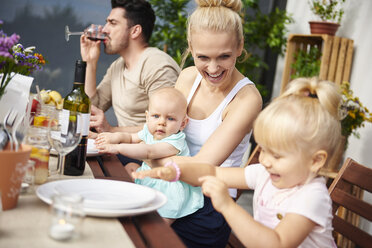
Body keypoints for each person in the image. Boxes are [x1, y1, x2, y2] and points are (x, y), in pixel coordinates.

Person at [134, 77, 341, 247]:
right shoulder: (265, 174)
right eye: (264, 150)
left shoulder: (312, 196)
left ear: (316, 161)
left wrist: (227, 206)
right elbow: (212, 173)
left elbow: (277, 244)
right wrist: (176, 171)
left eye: (277, 155)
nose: (266, 161)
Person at [134, 0, 262, 247]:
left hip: (208, 204)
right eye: (203, 57)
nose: (213, 68)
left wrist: (148, 154)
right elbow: (162, 129)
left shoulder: (246, 99)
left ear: (240, 47)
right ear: (191, 48)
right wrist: (113, 132)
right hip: (168, 182)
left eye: (224, 56)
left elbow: (202, 167)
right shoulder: (188, 76)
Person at [81, 0, 180, 166]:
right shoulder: (117, 67)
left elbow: (166, 128)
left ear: (135, 31)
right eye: (106, 22)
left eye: (112, 23)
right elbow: (91, 108)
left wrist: (112, 131)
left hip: (149, 159)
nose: (104, 30)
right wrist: (90, 63)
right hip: (122, 149)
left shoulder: (157, 66)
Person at [94, 87, 204, 225]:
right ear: (147, 117)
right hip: (151, 176)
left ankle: (159, 235)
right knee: (128, 173)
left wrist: (117, 147)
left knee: (160, 222)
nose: (161, 122)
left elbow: (149, 152)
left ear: (182, 124)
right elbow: (131, 137)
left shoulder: (176, 141)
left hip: (170, 188)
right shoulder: (149, 130)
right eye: (156, 116)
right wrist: (115, 137)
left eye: (170, 118)